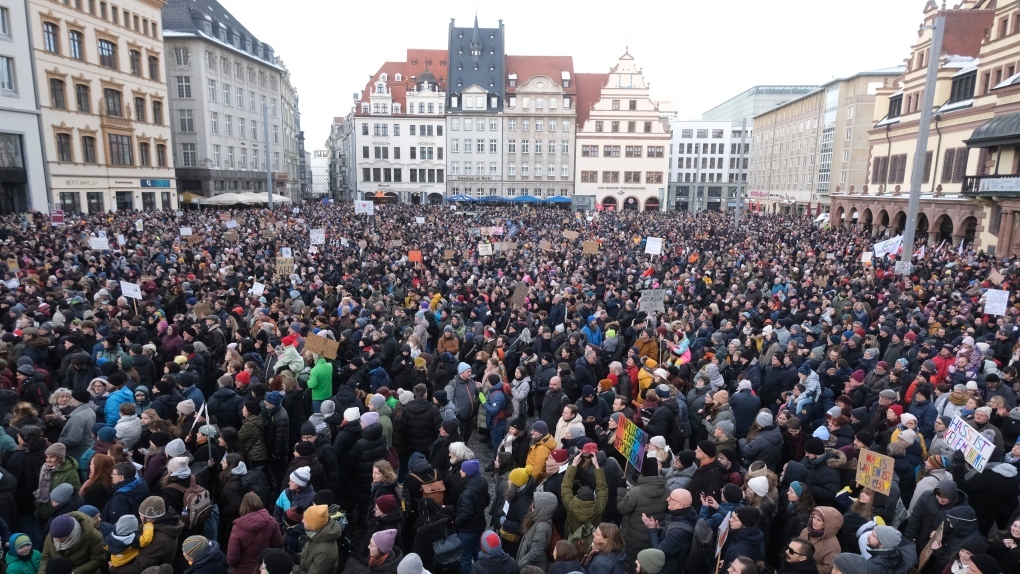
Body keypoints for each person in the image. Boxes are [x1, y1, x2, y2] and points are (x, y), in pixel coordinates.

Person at [643, 488, 697, 574]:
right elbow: (669, 538)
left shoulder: (679, 531)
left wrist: (651, 530)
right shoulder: (683, 517)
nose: (667, 499)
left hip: (668, 570)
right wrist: (658, 529)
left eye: (671, 498)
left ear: (680, 506)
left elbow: (658, 553)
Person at [227, 492, 283, 574]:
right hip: (263, 567)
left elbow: (232, 559)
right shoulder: (271, 521)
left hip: (243, 570)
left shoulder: (238, 528)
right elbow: (277, 544)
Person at [38, 512, 105, 574]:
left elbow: (97, 560)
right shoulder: (52, 536)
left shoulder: (93, 537)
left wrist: (74, 572)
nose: (58, 540)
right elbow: (45, 558)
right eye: (56, 538)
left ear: (71, 533)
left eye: (62, 537)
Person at [293, 504, 341, 574]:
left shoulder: (324, 551)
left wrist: (292, 567)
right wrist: (296, 557)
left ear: (314, 525)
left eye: (306, 520)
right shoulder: (315, 535)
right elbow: (308, 557)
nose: (302, 521)